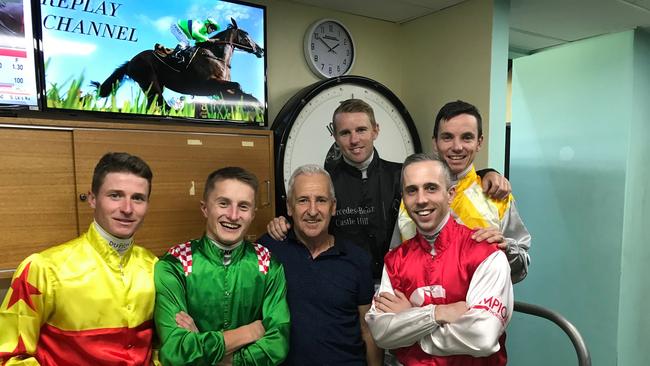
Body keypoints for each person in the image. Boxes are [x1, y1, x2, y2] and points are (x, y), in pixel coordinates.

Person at [267, 99, 511, 279]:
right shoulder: (325, 183)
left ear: (376, 130)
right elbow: (306, 216)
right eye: (345, 133)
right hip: (343, 279)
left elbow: (443, 177)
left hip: (399, 279)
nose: (354, 140)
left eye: (361, 130)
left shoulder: (402, 175)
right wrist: (282, 224)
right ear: (336, 137)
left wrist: (485, 174)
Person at [0, 152, 158, 365]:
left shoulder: (156, 267)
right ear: (92, 199)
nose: (127, 209)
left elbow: (161, 348)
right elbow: (9, 356)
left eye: (138, 198)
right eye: (115, 195)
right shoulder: (43, 269)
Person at [366, 153, 513, 365]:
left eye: (431, 188)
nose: (421, 199)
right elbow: (381, 333)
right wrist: (437, 313)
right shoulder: (395, 261)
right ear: (404, 199)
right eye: (411, 191)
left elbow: (482, 337)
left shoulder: (486, 252)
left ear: (450, 194)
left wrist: (410, 327)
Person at [154, 167, 290, 365]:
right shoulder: (174, 264)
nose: (233, 215)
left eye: (243, 206)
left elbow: (278, 345)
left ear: (253, 214)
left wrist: (206, 351)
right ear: (205, 208)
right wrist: (249, 332)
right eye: (224, 204)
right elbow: (176, 352)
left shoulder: (268, 264)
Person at [259, 165, 382, 366]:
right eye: (303, 200)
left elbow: (367, 329)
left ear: (333, 207)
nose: (313, 211)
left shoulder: (357, 259)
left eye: (321, 200)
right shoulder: (268, 251)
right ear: (289, 207)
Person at [398, 100, 531, 283]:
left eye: (466, 137)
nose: (457, 147)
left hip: (481, 308)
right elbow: (394, 261)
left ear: (479, 142)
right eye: (447, 137)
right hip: (419, 308)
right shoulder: (411, 199)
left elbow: (521, 268)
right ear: (435, 142)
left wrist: (505, 248)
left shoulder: (497, 196)